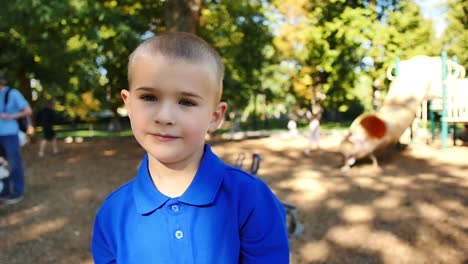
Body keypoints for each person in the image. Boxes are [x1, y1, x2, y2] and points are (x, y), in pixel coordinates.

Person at [91, 32, 289, 263]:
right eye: (149, 97)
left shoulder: (251, 199)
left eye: (186, 102)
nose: (164, 117)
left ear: (215, 117)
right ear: (128, 104)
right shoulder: (112, 214)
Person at [0, 74, 32, 205]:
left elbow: (28, 110)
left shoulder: (12, 93)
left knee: (14, 163)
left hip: (10, 134)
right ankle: (5, 189)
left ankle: (18, 191)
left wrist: (12, 116)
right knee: (2, 164)